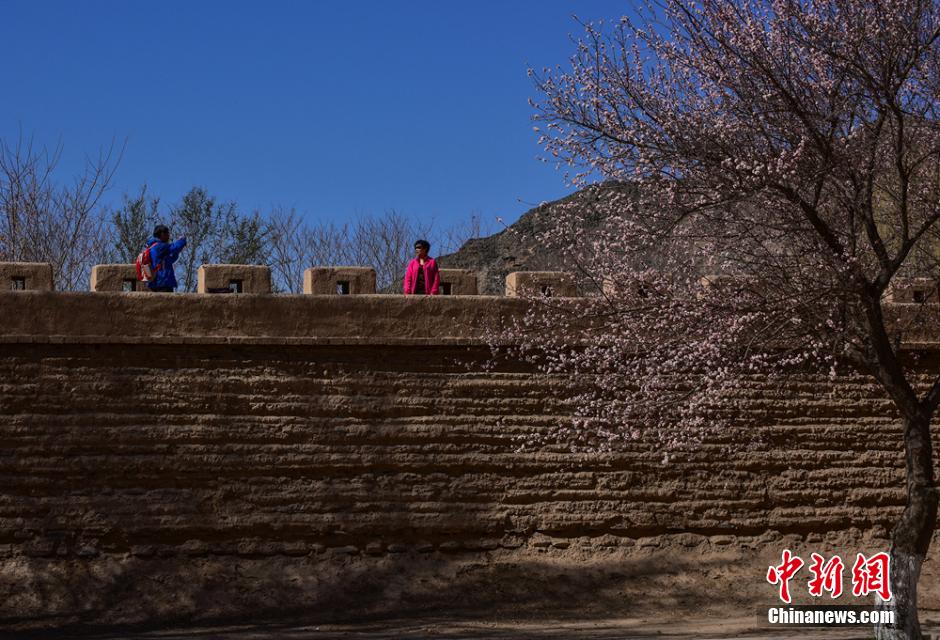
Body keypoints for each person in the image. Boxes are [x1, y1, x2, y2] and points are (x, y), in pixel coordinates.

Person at [144, 225, 187, 292]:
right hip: (162, 282)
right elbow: (173, 247)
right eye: (167, 233)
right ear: (162, 234)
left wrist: (177, 252)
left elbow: (169, 260)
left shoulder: (153, 247)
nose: (168, 236)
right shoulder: (160, 246)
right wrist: (182, 240)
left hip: (156, 282)